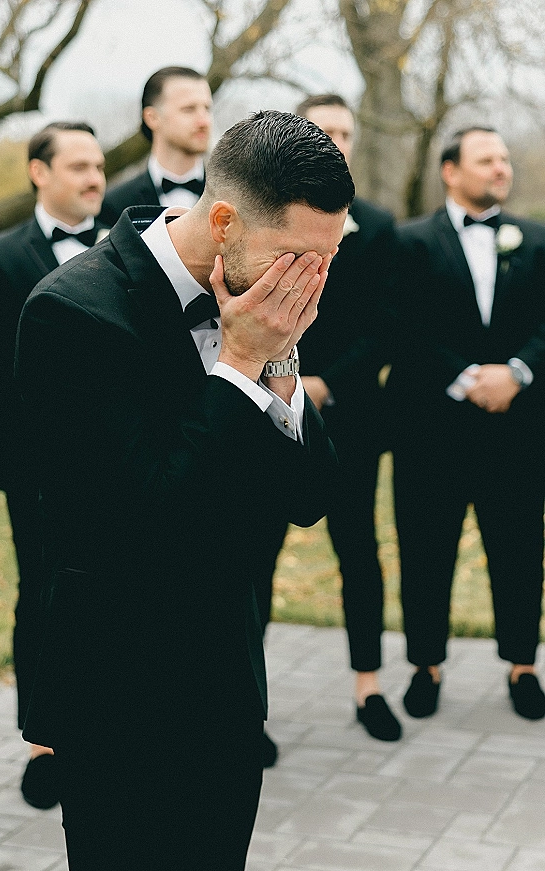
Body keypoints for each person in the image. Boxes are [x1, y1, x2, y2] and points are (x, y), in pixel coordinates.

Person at [14, 109, 354, 871]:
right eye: (298, 255)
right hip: (118, 694)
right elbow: (133, 530)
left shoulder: (266, 299)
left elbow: (309, 496)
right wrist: (236, 363)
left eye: (326, 259)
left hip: (227, 688)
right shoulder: (71, 312)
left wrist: (277, 367)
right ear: (225, 220)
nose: (308, 280)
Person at [0, 122, 107, 809]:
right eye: (78, 165)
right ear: (37, 172)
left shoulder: (128, 247)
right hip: (33, 467)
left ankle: (109, 721)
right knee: (42, 595)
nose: (93, 177)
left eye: (99, 165)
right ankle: (42, 743)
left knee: (110, 590)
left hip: (118, 462)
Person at [256, 94, 402, 743]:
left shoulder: (378, 225)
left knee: (358, 551)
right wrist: (282, 377)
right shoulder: (266, 220)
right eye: (325, 129)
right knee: (255, 555)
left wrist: (323, 382)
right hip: (263, 414)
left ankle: (369, 684)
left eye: (346, 129)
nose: (338, 139)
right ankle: (246, 702)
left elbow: (386, 331)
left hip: (350, 417)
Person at [389, 127, 545, 721]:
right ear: (450, 171)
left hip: (518, 428)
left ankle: (522, 665)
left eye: (504, 159)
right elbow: (401, 326)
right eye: (486, 160)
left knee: (518, 548)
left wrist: (518, 373)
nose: (500, 168)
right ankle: (425, 665)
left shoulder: (535, 240)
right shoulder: (409, 242)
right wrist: (465, 378)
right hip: (433, 428)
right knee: (426, 549)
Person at [100, 66, 211, 224]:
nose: (204, 121)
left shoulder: (235, 197)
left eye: (207, 108)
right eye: (189, 109)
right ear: (152, 118)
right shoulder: (115, 205)